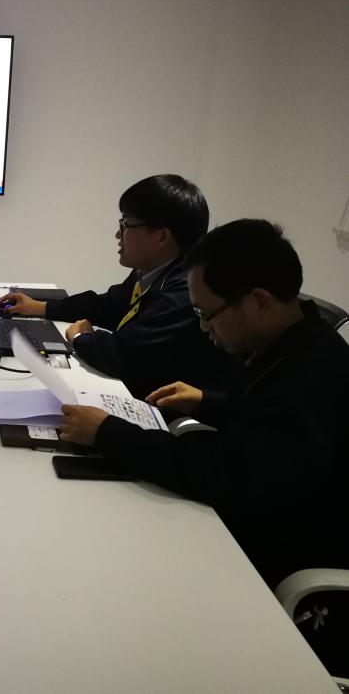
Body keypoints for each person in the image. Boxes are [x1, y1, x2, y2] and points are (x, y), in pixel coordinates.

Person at [59, 219, 349, 593]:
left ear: (258, 301)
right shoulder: (296, 340)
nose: (202, 327)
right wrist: (207, 401)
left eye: (205, 314)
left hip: (271, 556)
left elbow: (226, 474)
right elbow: (262, 421)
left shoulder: (310, 378)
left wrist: (106, 432)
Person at [0, 174, 229, 398]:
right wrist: (40, 307)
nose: (118, 234)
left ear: (161, 237)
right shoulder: (154, 270)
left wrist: (81, 338)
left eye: (126, 224)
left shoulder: (183, 291)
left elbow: (125, 356)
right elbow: (107, 305)